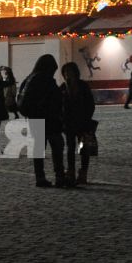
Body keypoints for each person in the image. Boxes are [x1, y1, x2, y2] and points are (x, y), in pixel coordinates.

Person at [19, 55, 67, 188]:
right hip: (50, 120)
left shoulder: (29, 78)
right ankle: (60, 176)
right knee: (57, 147)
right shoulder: (46, 80)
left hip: (34, 119)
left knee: (39, 149)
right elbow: (56, 99)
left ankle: (40, 177)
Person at [59, 60, 97, 188]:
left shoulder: (83, 86)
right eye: (65, 73)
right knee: (70, 149)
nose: (67, 75)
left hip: (83, 123)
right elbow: (58, 107)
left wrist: (86, 118)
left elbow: (90, 104)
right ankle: (71, 172)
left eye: (70, 72)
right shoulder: (63, 88)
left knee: (84, 149)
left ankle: (83, 173)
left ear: (76, 73)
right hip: (68, 124)